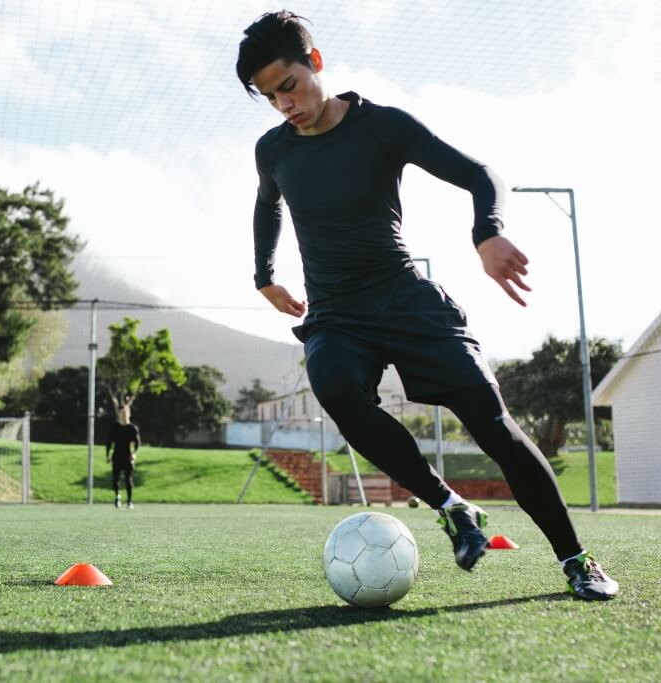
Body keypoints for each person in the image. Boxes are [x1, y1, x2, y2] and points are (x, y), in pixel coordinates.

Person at [236, 11, 618, 600]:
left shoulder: (382, 126)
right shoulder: (273, 150)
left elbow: (479, 173)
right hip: (337, 315)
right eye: (268, 97)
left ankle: (577, 559)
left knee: (496, 428)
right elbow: (268, 206)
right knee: (335, 385)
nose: (283, 104)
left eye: (288, 86)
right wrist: (264, 276)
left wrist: (486, 233)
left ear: (314, 63)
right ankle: (451, 506)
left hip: (407, 300)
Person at [105, 406, 141, 509]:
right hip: (116, 455)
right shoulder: (115, 427)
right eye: (122, 413)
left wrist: (134, 454)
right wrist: (107, 455)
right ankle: (117, 497)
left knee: (128, 479)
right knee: (115, 478)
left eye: (125, 412)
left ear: (129, 414)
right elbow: (109, 442)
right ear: (119, 414)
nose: (123, 414)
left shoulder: (132, 428)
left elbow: (137, 443)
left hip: (127, 456)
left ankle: (129, 501)